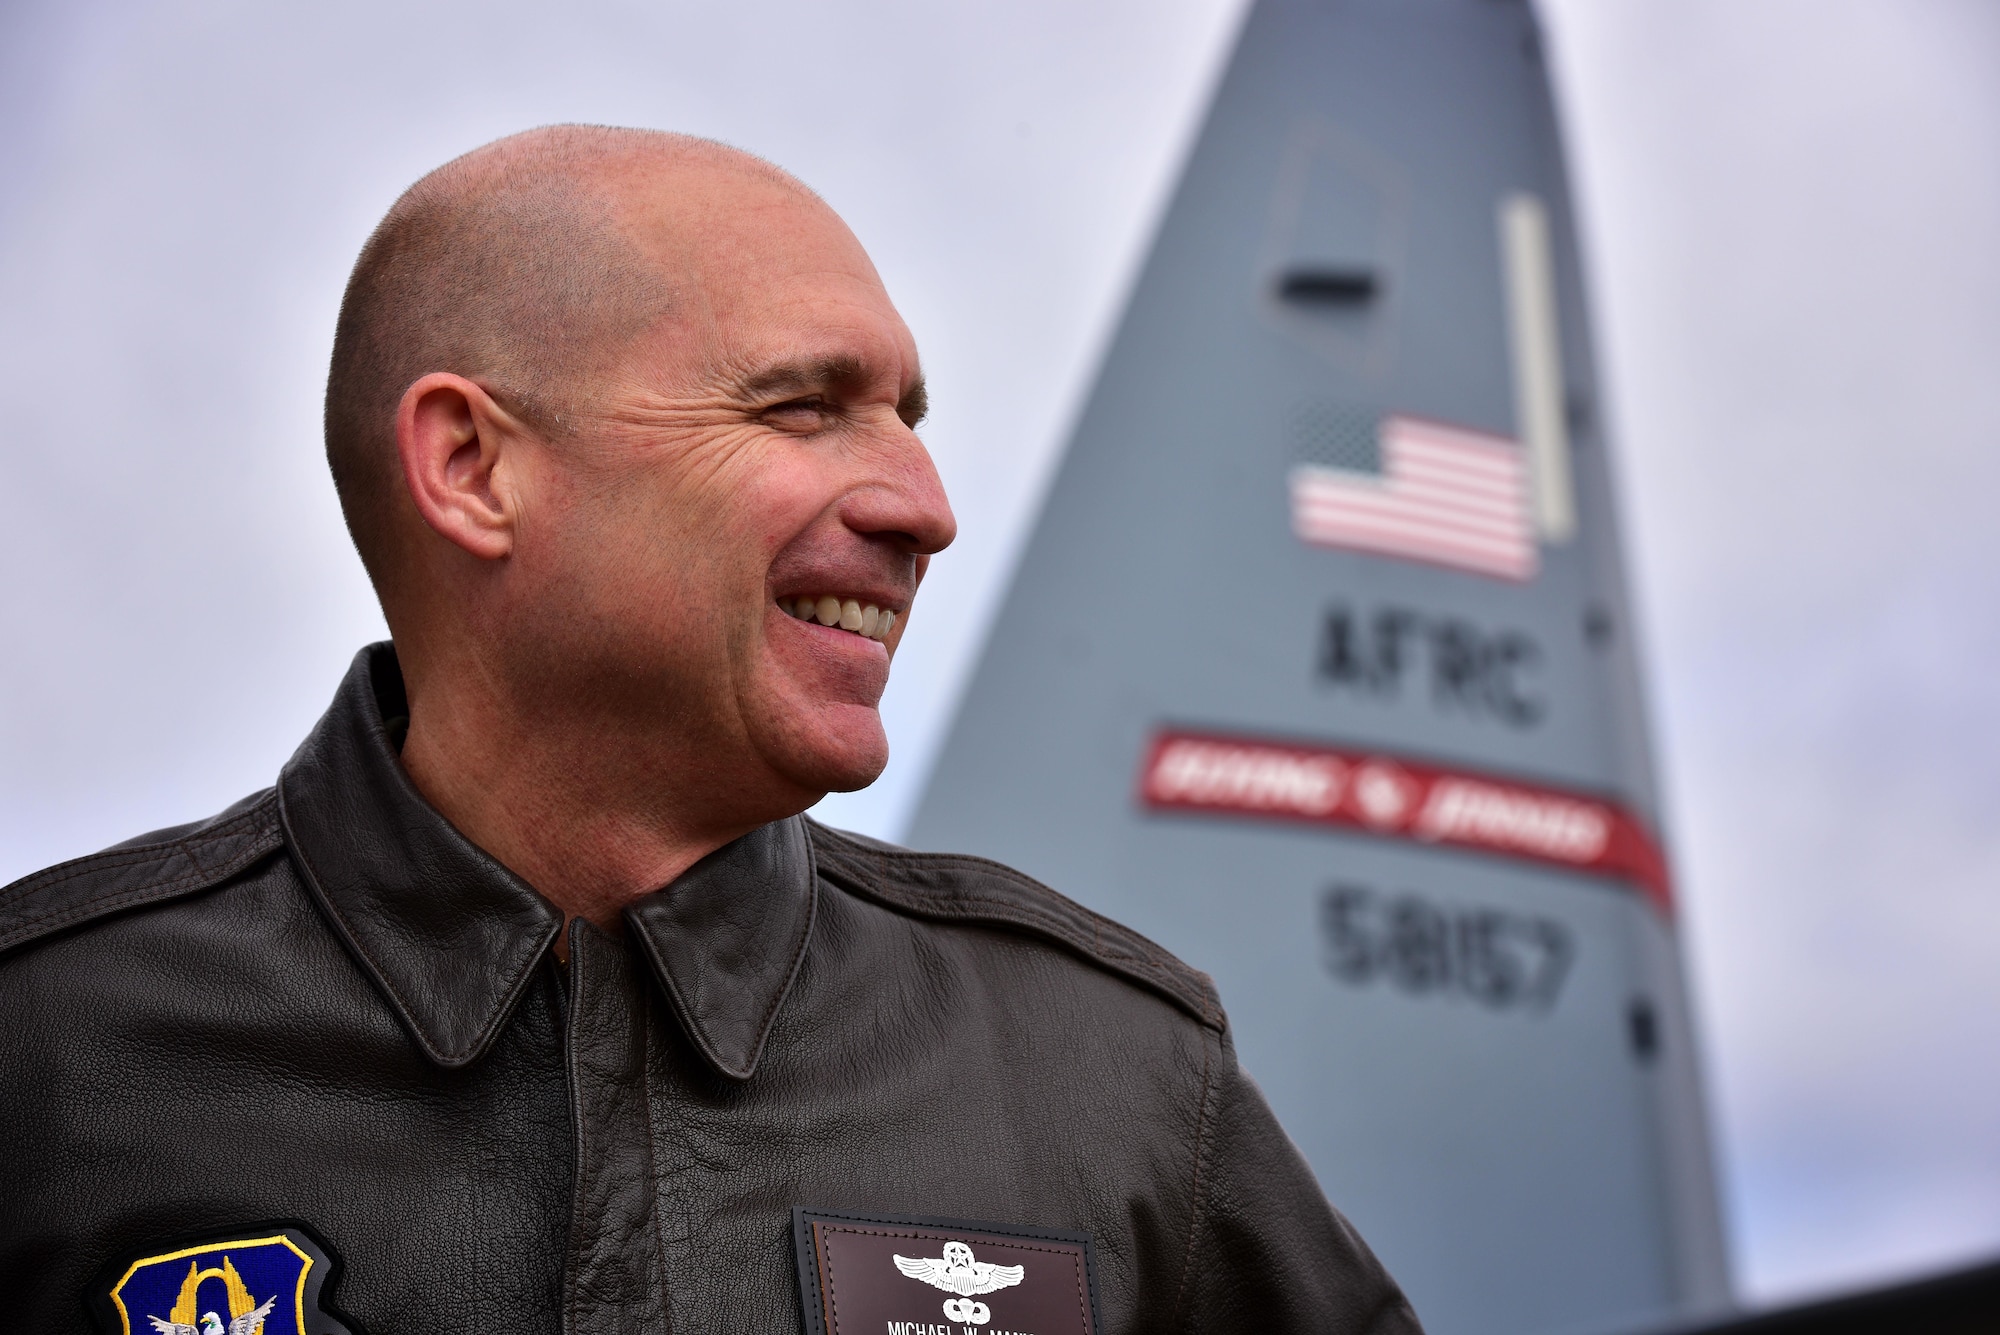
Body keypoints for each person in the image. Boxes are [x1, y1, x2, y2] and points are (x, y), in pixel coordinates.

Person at [0, 126, 1420, 1334]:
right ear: (471, 466)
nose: (924, 508)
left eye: (908, 420)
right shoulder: (46, 1050)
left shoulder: (1116, 1081)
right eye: (803, 406)